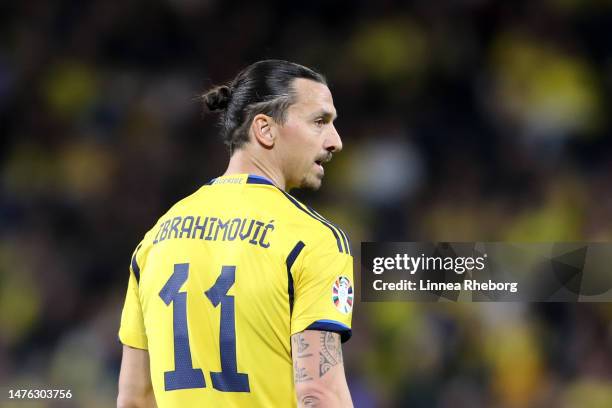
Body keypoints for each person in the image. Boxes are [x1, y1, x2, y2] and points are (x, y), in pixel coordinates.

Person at [117, 60, 354, 408]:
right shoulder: (312, 239)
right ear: (265, 129)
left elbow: (134, 399)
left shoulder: (156, 237)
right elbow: (318, 394)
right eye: (320, 121)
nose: (336, 142)